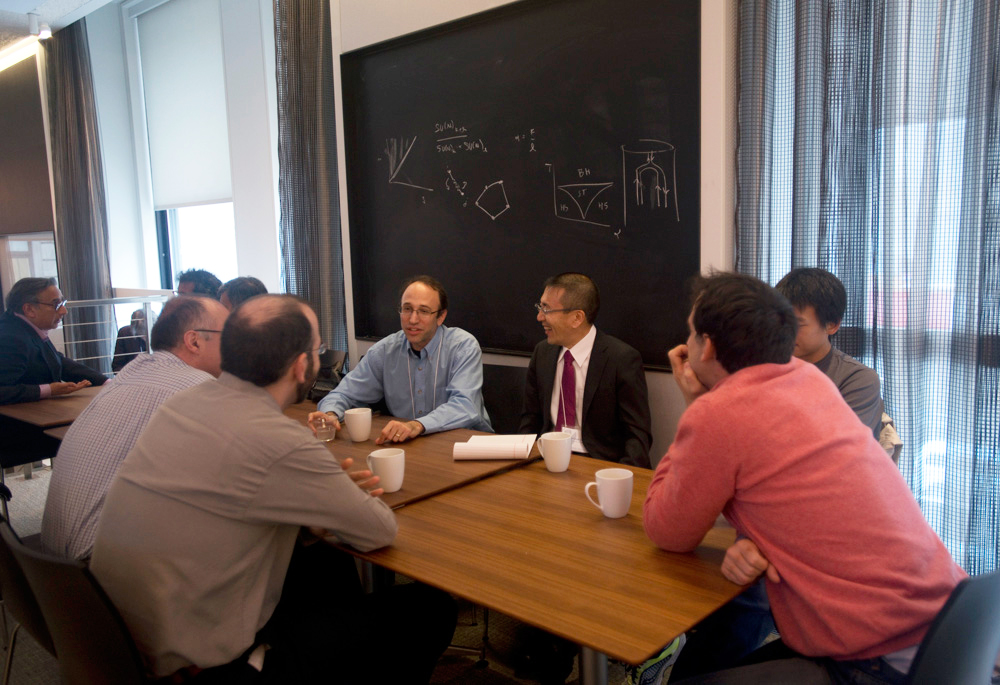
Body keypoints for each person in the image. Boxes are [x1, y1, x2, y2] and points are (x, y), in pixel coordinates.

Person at [91, 294, 457, 682]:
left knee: (322, 561)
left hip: (118, 645)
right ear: (303, 366)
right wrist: (337, 496)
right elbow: (378, 530)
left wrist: (317, 498)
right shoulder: (282, 441)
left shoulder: (181, 405)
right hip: (206, 669)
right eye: (316, 350)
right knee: (429, 608)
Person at [644, 271, 964, 684]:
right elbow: (796, 493)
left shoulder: (719, 414)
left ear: (710, 348)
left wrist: (694, 406)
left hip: (882, 656)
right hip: (948, 621)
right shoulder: (809, 379)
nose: (684, 345)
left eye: (690, 333)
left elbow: (666, 531)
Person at [41, 296, 229, 560]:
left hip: (50, 568)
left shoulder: (133, 372)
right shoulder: (199, 387)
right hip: (102, 570)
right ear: (194, 341)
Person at [312, 275, 491, 443]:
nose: (413, 319)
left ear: (441, 316)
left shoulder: (463, 347)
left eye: (423, 311)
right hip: (415, 445)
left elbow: (465, 407)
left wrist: (417, 425)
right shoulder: (385, 350)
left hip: (468, 444)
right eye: (407, 309)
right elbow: (344, 393)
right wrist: (330, 414)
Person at [519, 273, 651, 467]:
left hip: (600, 466)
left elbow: (637, 436)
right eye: (540, 307)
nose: (539, 317)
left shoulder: (621, 359)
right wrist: (522, 461)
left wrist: (616, 478)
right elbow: (530, 419)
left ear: (577, 318)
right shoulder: (542, 353)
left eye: (546, 309)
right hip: (546, 460)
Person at [775, 267, 884, 437]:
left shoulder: (856, 379)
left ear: (832, 324)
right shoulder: (766, 367)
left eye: (798, 324)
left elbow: (844, 447)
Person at [0, 277, 107, 405]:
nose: (64, 311)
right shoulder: (9, 338)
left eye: (63, 303)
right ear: (29, 309)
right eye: (56, 305)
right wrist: (48, 390)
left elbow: (56, 361)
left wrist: (105, 382)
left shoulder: (26, 327)